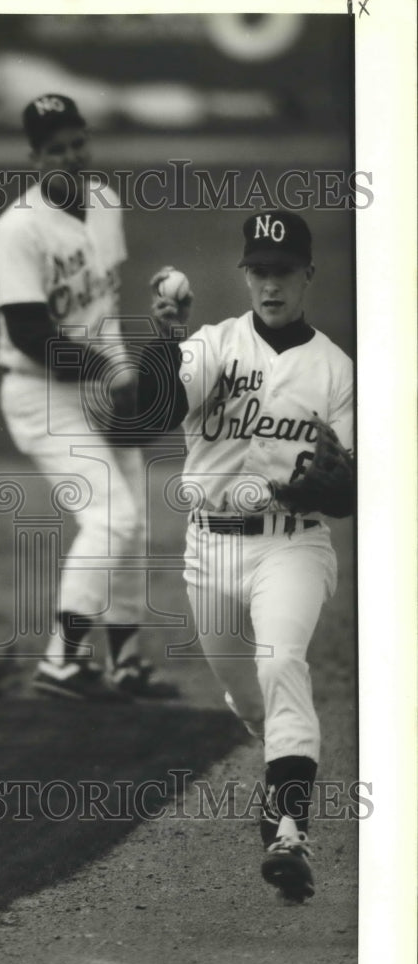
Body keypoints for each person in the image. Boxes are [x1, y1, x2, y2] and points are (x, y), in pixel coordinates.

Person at [145, 210, 354, 902]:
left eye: (284, 272)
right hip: (207, 551)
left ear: (307, 276)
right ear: (246, 275)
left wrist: (332, 482)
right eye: (260, 272)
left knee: (282, 661)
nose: (271, 285)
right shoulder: (216, 346)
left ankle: (289, 828)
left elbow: (348, 491)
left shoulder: (335, 371)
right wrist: (164, 338)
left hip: (291, 547)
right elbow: (154, 405)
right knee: (247, 695)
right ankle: (281, 771)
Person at [0, 93, 163, 702]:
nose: (70, 156)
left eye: (76, 143)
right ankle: (62, 661)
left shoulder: (106, 203)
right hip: (41, 394)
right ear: (34, 158)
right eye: (55, 149)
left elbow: (104, 310)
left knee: (133, 518)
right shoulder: (16, 230)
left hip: (96, 382)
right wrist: (108, 375)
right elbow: (30, 335)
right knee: (110, 515)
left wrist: (121, 377)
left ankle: (125, 661)